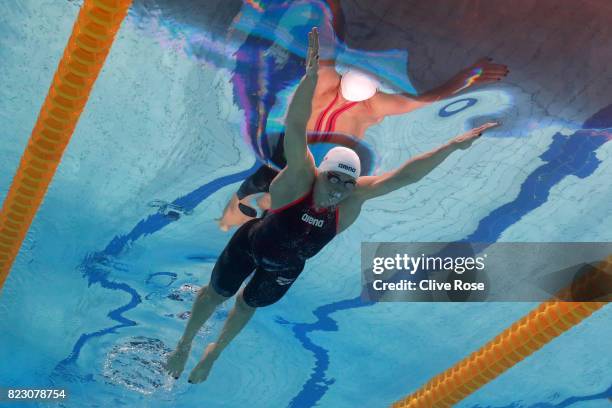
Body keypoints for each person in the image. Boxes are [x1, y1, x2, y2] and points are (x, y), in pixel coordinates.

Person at [165, 28, 500, 383]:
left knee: (246, 306)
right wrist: (309, 79)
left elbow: (404, 176)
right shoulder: (299, 179)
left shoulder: (352, 200)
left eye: (347, 182)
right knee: (216, 294)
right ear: (320, 174)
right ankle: (185, 344)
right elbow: (295, 126)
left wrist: (451, 146)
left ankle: (214, 352)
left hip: (285, 269)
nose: (339, 188)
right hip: (250, 244)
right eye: (334, 179)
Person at [219, 30, 508, 230]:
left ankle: (235, 213)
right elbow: (425, 99)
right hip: (312, 161)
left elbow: (324, 52)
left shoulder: (332, 86)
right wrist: (466, 77)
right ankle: (241, 213)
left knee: (264, 189)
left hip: (298, 156)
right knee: (278, 202)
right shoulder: (371, 103)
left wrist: (468, 77)